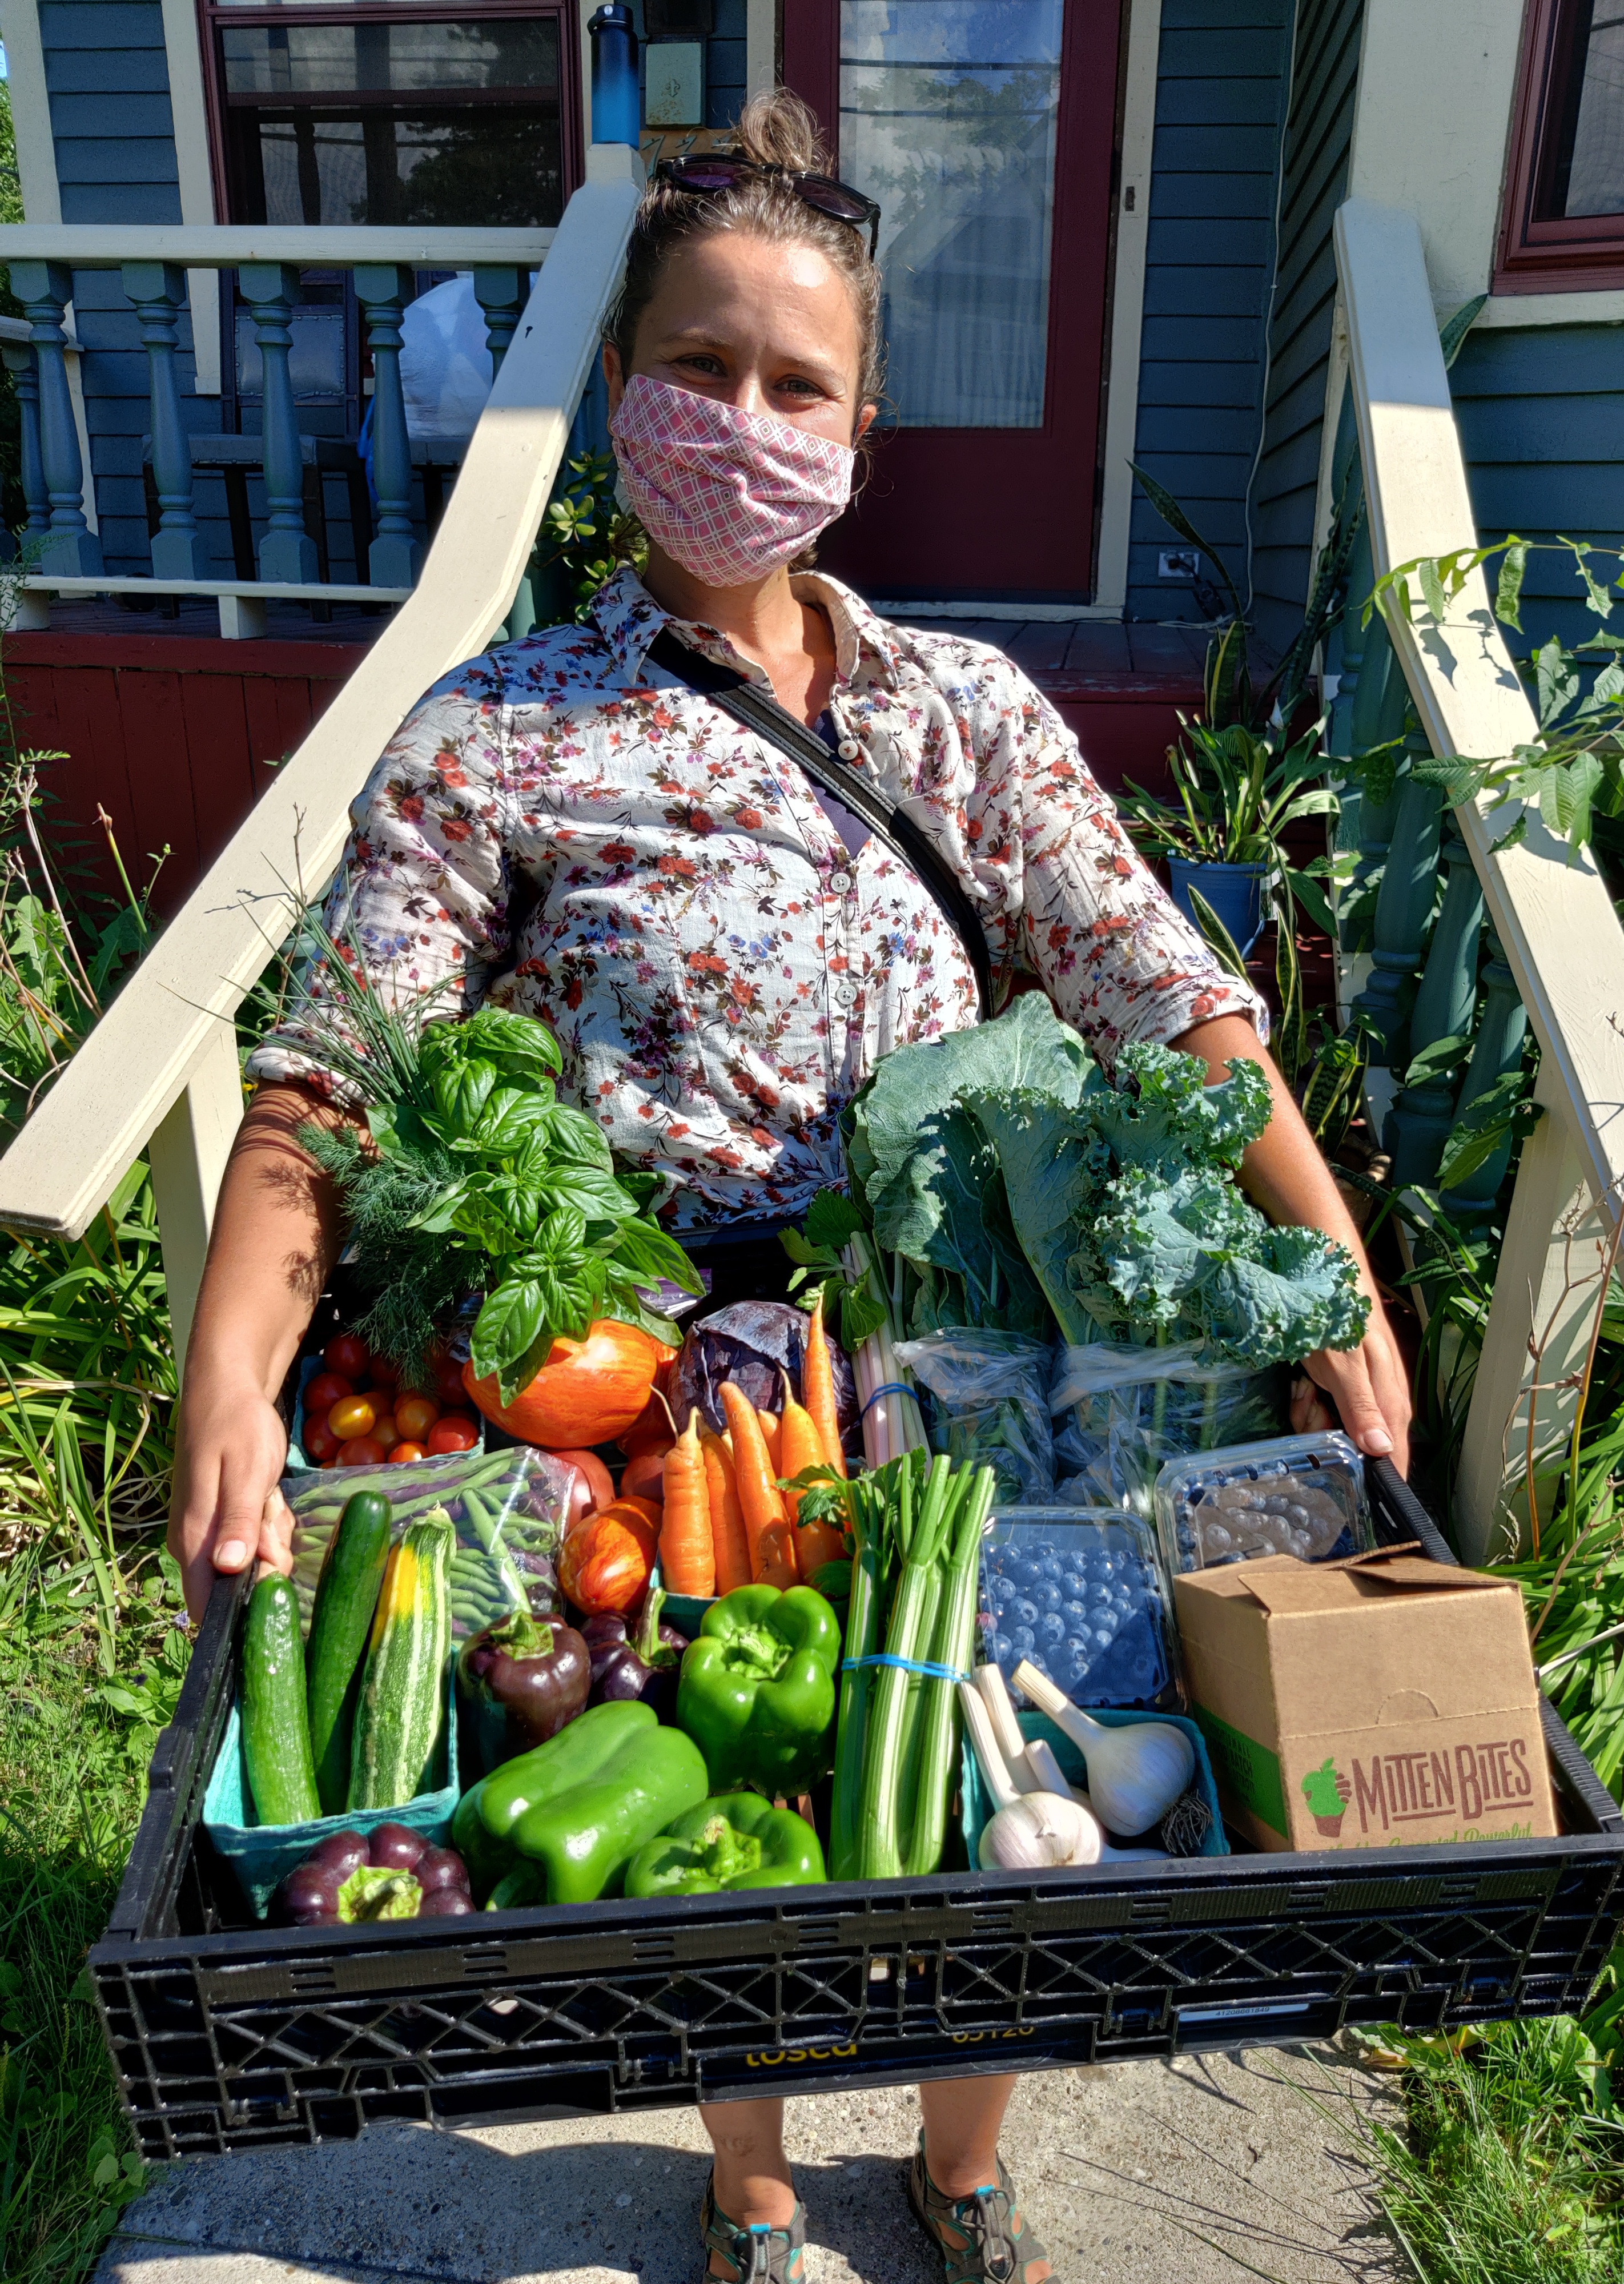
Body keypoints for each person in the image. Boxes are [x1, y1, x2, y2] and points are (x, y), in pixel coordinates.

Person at [168, 89, 1411, 2284]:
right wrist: (232, 1371)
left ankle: (954, 2155)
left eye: (796, 382)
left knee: (976, 1809)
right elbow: (326, 1088)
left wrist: (1340, 1288)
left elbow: (1173, 1009)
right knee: (727, 1838)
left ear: (862, 419)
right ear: (621, 389)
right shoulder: (498, 732)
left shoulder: (967, 713)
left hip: (960, 1354)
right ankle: (749, 2172)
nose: (743, 420)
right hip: (662, 1380)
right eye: (697, 369)